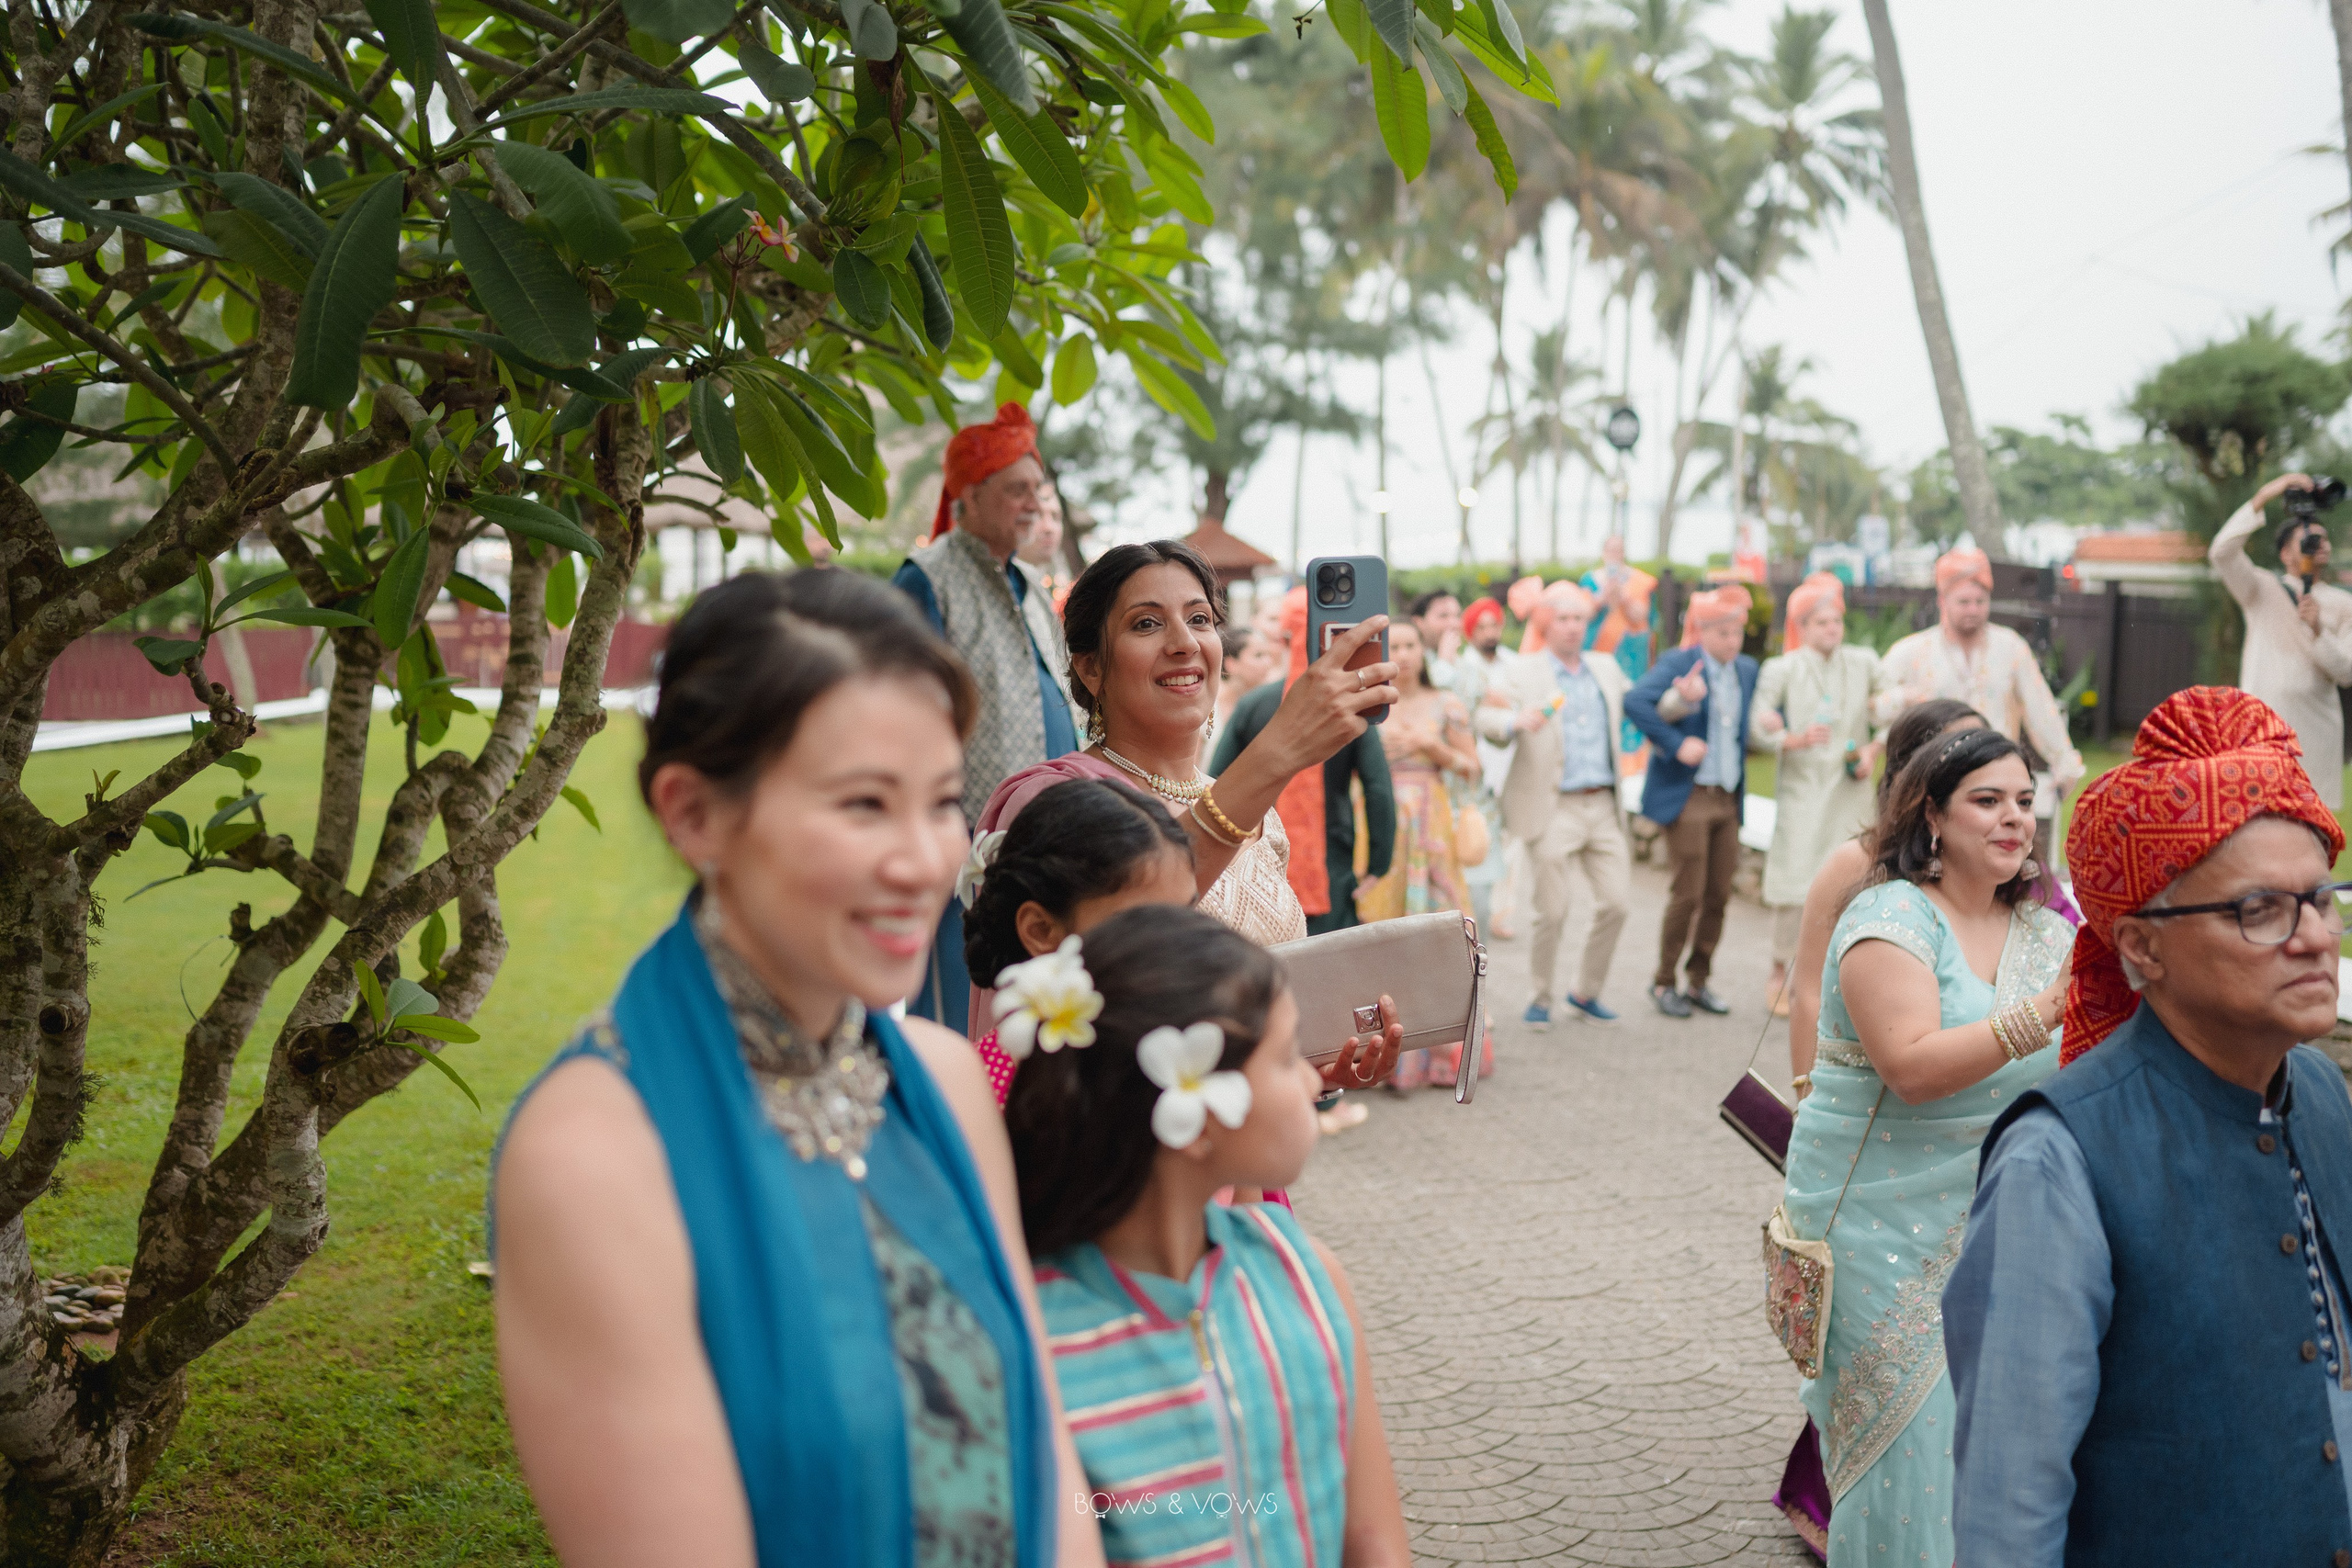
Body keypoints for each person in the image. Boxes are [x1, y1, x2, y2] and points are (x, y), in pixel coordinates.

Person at [492, 570, 1095, 1568]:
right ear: (693, 816)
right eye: (864, 803)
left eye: (943, 802)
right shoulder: (595, 1161)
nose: (921, 860)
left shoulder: (945, 1085)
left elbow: (1045, 1448)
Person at [1945, 687, 2352, 1568]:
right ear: (2141, 948)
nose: (2316, 935)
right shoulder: (2058, 1162)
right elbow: (2009, 1514)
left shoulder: (2318, 1092)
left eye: (2322, 898)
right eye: (2260, 908)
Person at [1003, 906, 1412, 1567]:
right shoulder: (1034, 1348)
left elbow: (1373, 1544)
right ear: (1191, 1113)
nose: (1315, 1078)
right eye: (1286, 1057)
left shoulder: (1310, 1280)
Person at [1780, 727, 2075, 1567]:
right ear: (1933, 817)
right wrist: (2045, 1012)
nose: (2014, 818)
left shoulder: (2044, 930)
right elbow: (1909, 1067)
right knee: (1908, 1452)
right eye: (1988, 800)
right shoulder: (1891, 915)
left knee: (1994, 1454)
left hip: (1999, 1215)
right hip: (1878, 1226)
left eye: (2024, 800)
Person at [1768, 696, 1984, 1556]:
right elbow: (1812, 988)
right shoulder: (1854, 867)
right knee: (1862, 1330)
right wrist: (1811, 1099)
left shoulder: (1981, 878)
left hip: (1951, 1139)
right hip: (1860, 1129)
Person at [987, 542, 1396, 949]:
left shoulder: (1262, 820)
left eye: (1200, 619)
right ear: (1091, 667)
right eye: (1146, 623)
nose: (1185, 643)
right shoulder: (1050, 802)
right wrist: (1277, 752)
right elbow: (1116, 939)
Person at [893, 402, 1078, 1032]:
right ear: (968, 496)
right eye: (1016, 489)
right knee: (957, 997)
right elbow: (907, 711)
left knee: (1034, 999)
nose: (1032, 502)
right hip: (965, 840)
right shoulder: (928, 578)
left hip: (1048, 830)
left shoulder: (1030, 580)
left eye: (1038, 489)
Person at [1476, 581, 1633, 1029]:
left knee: (1618, 904)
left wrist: (1681, 700)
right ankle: (1540, 995)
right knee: (1554, 910)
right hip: (1552, 806)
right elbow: (1486, 717)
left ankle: (1585, 992)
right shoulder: (1521, 671)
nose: (1572, 627)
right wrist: (1512, 720)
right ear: (1546, 624)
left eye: (1579, 619)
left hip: (1602, 804)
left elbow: (1643, 703)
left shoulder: (1604, 666)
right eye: (1562, 619)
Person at [1212, 585, 1398, 936]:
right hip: (1333, 865)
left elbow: (1215, 780)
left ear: (1285, 638)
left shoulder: (1255, 705)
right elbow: (1378, 788)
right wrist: (1378, 862)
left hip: (1259, 861)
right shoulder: (1349, 706)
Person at [1874, 546, 2083, 852]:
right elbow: (1874, 707)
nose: (1972, 609)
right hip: (1933, 778)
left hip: (1994, 774)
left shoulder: (2011, 647)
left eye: (1980, 601)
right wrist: (1909, 697)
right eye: (1963, 601)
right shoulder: (1913, 651)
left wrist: (2063, 759)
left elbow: (2040, 709)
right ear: (1942, 601)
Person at [1751, 574, 1889, 1015]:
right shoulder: (1783, 668)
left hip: (1851, 787)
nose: (1832, 630)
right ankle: (1781, 970)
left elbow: (1892, 708)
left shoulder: (1864, 662)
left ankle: (1843, 975)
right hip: (1804, 789)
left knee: (1855, 877)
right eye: (1822, 622)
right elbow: (1757, 722)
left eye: (1837, 621)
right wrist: (1790, 737)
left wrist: (1872, 749)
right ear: (1803, 626)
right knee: (1797, 878)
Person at [1624, 585, 1759, 1018]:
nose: (1732, 641)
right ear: (1701, 631)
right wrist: (1675, 742)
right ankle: (1664, 981)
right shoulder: (1680, 663)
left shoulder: (1748, 670)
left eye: (1737, 632)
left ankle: (1699, 980)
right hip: (1688, 796)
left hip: (1728, 796)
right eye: (1722, 632)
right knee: (1688, 892)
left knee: (1719, 893)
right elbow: (1636, 701)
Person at [2208, 470, 2352, 807]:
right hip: (2262, 726)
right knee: (2256, 821)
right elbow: (2222, 553)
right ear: (2285, 554)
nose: (2319, 545)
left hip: (2316, 731)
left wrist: (2318, 629)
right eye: (2308, 540)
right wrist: (2266, 494)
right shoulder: (2261, 589)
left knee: (2309, 829)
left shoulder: (2344, 604)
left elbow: (2346, 672)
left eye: (2324, 539)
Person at [1451, 596, 1516, 934]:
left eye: (1494, 624)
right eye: (1482, 626)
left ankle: (1502, 914)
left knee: (1510, 845)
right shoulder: (1462, 668)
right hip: (1478, 765)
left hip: (1512, 761)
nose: (1490, 632)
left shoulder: (1513, 663)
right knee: (1478, 841)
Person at [1582, 533, 1657, 756]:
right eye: (1611, 550)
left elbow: (1642, 616)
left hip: (1631, 651)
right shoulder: (1591, 579)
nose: (1615, 554)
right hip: (1600, 649)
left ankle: (1633, 756)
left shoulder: (1639, 581)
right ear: (1604, 552)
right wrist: (1603, 597)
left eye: (1619, 550)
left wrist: (1622, 595)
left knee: (1630, 699)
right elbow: (1583, 614)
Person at [1211, 622, 1279, 747]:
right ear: (1231, 664)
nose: (1268, 662)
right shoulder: (1208, 707)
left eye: (1269, 655)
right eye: (1258, 655)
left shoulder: (1271, 704)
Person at [1409, 587, 1464, 689]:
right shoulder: (1410, 660)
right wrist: (1445, 660)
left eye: (1457, 615)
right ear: (1418, 622)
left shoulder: (1463, 662)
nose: (1454, 623)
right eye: (1443, 616)